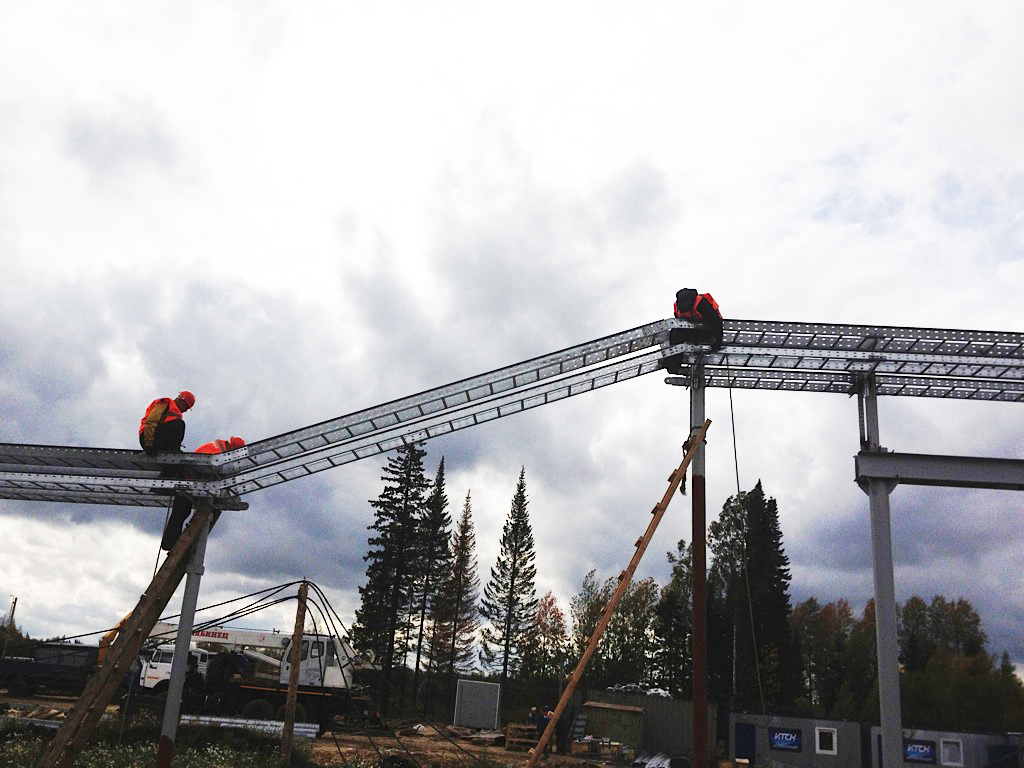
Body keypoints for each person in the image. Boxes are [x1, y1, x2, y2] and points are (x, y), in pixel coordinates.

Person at [160, 436, 245, 551]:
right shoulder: (217, 453)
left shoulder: (220, 447)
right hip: (187, 480)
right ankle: (169, 544)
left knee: (181, 512)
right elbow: (212, 469)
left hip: (190, 479)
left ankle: (171, 543)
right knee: (180, 512)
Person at [662, 289, 723, 374]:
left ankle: (672, 362)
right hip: (693, 330)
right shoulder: (677, 307)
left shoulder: (701, 303)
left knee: (679, 335)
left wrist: (718, 342)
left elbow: (717, 322)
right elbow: (679, 324)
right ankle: (673, 364)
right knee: (675, 334)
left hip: (708, 332)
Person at [139, 391, 195, 455]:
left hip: (156, 439)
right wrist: (149, 445)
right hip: (148, 439)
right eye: (186, 407)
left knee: (178, 424)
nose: (186, 410)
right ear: (181, 401)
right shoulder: (164, 404)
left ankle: (172, 450)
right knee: (179, 424)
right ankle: (173, 450)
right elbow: (151, 422)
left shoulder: (176, 414)